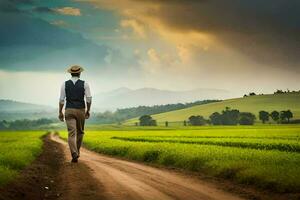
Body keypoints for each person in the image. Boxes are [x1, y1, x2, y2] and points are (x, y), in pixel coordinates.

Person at [58, 65, 92, 163]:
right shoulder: (85, 84)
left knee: (71, 133)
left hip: (69, 110)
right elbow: (88, 99)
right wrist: (88, 110)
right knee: (80, 132)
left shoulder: (64, 84)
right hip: (80, 110)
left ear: (71, 73)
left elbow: (61, 100)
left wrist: (60, 111)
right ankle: (77, 152)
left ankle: (74, 153)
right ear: (80, 73)